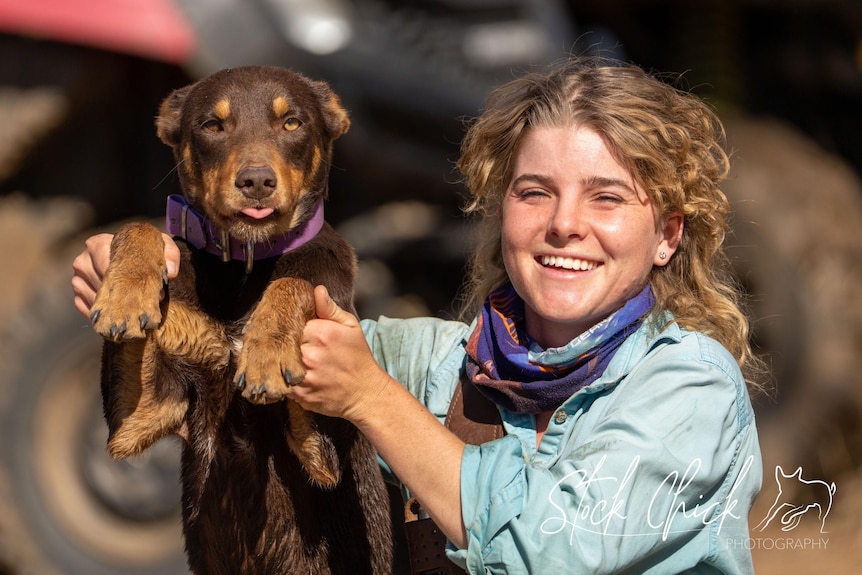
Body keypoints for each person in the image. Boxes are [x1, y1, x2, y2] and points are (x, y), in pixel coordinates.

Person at [73, 56, 764, 574]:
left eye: (606, 197)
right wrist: (138, 267)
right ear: (501, 215)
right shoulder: (437, 363)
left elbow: (555, 549)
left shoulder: (689, 387)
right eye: (534, 192)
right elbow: (240, 358)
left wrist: (370, 397)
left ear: (669, 232)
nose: (564, 224)